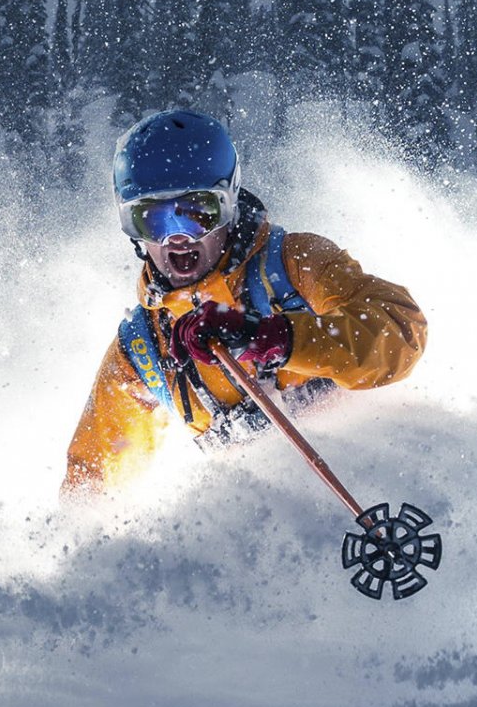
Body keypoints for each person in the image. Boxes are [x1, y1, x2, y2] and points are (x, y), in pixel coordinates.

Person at [63, 108, 427, 495]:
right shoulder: (143, 349)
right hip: (280, 527)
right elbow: (91, 482)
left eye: (197, 212)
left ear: (230, 203)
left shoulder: (293, 268)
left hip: (380, 494)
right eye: (151, 219)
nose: (176, 239)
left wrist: (274, 337)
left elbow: (402, 331)